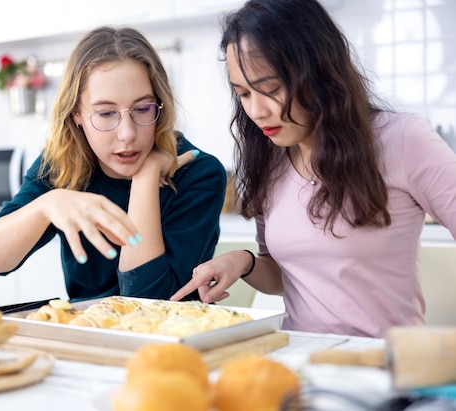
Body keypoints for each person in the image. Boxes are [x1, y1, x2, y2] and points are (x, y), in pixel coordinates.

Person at [171, 0, 456, 338]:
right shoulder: (269, 159)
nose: (257, 111)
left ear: (319, 71)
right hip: (300, 359)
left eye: (271, 89)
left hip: (385, 367)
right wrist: (244, 261)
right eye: (244, 94)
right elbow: (283, 277)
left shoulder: (403, 139)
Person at [0, 26, 227, 303]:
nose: (128, 134)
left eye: (143, 109)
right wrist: (46, 204)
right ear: (77, 115)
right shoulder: (63, 164)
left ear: (160, 105)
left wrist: (145, 178)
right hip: (89, 335)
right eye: (106, 113)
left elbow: (147, 303)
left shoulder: (199, 173)